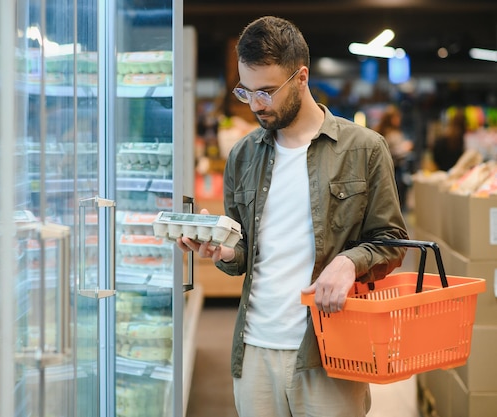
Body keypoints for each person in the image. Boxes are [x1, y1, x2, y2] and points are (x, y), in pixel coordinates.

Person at [176, 16, 408, 417]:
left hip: (329, 354)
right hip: (254, 351)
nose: (256, 105)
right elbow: (244, 254)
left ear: (301, 77)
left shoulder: (364, 149)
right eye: (246, 92)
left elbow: (391, 242)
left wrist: (348, 262)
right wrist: (224, 252)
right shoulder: (243, 155)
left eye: (266, 91)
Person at [373, 105, 414, 211]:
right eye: (397, 117)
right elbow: (393, 152)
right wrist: (405, 148)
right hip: (394, 169)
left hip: (382, 169)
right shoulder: (392, 134)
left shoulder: (378, 132)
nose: (399, 120)